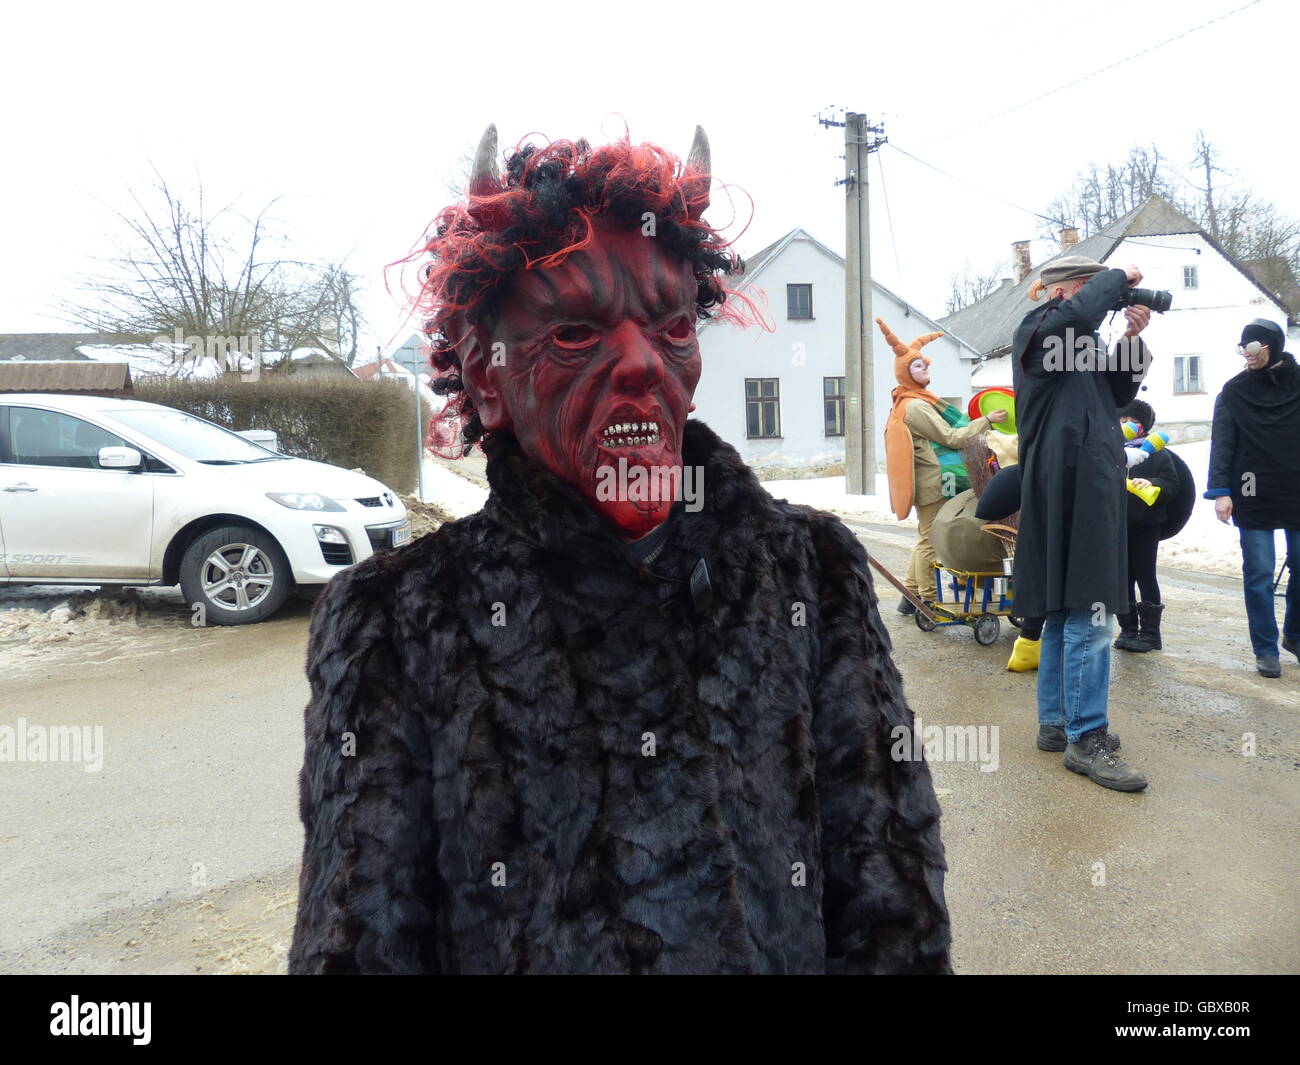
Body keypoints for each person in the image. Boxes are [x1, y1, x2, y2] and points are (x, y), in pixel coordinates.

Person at [288, 127, 951, 974]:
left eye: (671, 325)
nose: (641, 363)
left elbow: (889, 898)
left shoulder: (811, 570)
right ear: (486, 379)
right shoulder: (395, 619)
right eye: (573, 335)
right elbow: (361, 940)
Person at [1012, 255, 1153, 792]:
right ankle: (1086, 736)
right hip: (1068, 484)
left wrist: (1132, 342)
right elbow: (1075, 317)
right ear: (1064, 293)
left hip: (1084, 481)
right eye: (1094, 292)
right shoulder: (1039, 330)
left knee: (1063, 609)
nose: (1108, 301)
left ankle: (1056, 723)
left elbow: (1117, 395)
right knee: (1091, 612)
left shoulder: (1081, 341)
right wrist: (1120, 279)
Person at [879, 317, 1006, 614]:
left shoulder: (909, 401)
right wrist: (986, 420)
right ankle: (927, 597)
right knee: (930, 541)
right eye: (918, 366)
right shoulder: (917, 406)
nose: (925, 370)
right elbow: (952, 437)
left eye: (925, 364)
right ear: (905, 373)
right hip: (935, 483)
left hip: (927, 481)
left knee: (924, 537)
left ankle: (909, 595)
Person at [1204, 318, 1300, 679]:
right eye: (1243, 348)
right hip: (1251, 487)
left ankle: (1295, 634)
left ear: (1272, 347)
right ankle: (1265, 648)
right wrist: (1221, 492)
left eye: (1254, 347)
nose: (1247, 354)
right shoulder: (1234, 391)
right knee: (1258, 571)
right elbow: (1222, 443)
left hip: (1296, 485)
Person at [1113, 400, 1178, 652]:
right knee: (1122, 578)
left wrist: (1150, 483)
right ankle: (1128, 629)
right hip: (1118, 525)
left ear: (1142, 426)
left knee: (1145, 576)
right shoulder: (1114, 450)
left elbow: (1172, 485)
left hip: (1146, 526)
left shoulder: (1157, 453)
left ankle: (1151, 634)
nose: (1123, 425)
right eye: (1120, 421)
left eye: (1129, 421)